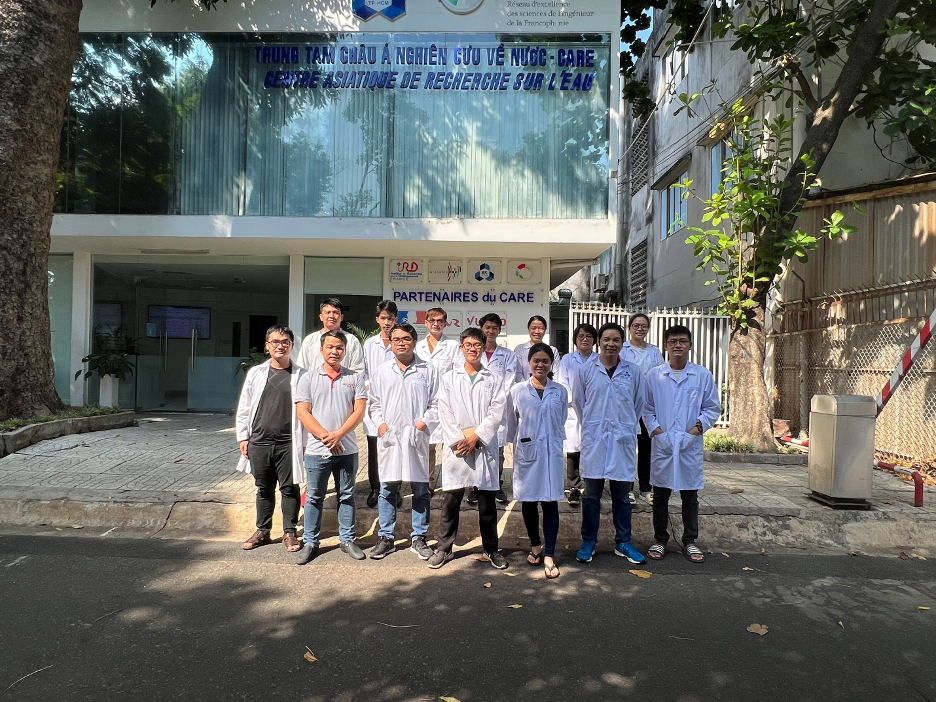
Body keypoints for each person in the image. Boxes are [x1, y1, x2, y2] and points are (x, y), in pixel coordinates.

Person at [429, 327, 510, 570]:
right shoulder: (449, 378)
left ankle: (491, 548)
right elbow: (445, 411)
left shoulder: (494, 379)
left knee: (486, 504)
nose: (472, 348)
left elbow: (496, 413)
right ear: (461, 348)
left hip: (482, 446)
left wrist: (476, 437)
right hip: (458, 448)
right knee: (451, 500)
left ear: (483, 347)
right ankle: (444, 548)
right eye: (468, 345)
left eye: (477, 344)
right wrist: (458, 439)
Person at [642, 324, 721, 564]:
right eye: (673, 341)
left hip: (689, 443)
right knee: (661, 494)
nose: (678, 345)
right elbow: (646, 408)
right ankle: (660, 539)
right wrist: (658, 433)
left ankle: (690, 540)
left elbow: (712, 408)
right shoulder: (654, 375)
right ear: (666, 345)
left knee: (690, 494)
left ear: (689, 345)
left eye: (683, 341)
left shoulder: (702, 375)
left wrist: (694, 431)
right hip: (663, 443)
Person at [573, 322, 646, 565]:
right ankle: (589, 541)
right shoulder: (585, 370)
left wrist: (622, 427)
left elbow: (638, 405)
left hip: (622, 440)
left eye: (616, 340)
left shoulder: (633, 372)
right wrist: (596, 427)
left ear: (622, 343)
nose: (610, 344)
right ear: (599, 342)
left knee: (622, 497)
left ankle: (623, 542)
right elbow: (580, 404)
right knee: (591, 495)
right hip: (595, 439)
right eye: (606, 339)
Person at [294, 330, 367, 565]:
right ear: (321, 350)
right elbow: (303, 412)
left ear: (345, 351)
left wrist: (339, 435)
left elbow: (359, 411)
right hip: (317, 450)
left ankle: (347, 539)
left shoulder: (355, 378)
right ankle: (310, 542)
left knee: (347, 495)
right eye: (330, 347)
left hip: (347, 449)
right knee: (314, 496)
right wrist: (327, 437)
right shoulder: (308, 378)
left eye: (339, 348)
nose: (334, 351)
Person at [367, 323, 440, 561]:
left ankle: (418, 537)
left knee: (420, 489)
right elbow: (373, 404)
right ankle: (386, 537)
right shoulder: (381, 371)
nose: (401, 342)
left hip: (416, 438)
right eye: (396, 339)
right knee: (387, 488)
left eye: (406, 338)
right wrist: (381, 426)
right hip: (389, 438)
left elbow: (437, 403)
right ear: (390, 342)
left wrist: (422, 425)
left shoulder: (427, 370)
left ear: (414, 342)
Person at [236, 325, 306, 553]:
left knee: (290, 488)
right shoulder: (256, 373)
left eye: (285, 341)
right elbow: (245, 407)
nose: (280, 346)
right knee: (263, 488)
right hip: (260, 441)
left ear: (292, 346)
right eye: (275, 342)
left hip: (289, 442)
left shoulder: (301, 375)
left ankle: (289, 532)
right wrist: (243, 437)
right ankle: (263, 531)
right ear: (267, 345)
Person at [509, 343, 566, 579]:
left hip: (551, 453)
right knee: (529, 501)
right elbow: (512, 423)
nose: (540, 365)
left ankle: (549, 554)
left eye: (545, 361)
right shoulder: (518, 391)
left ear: (551, 363)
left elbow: (560, 419)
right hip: (528, 452)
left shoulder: (560, 391)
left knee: (551, 503)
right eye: (536, 361)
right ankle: (535, 545)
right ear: (528, 363)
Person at [414, 307, 461, 494]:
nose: (436, 324)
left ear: (445, 323)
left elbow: (458, 373)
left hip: (449, 401)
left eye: (440, 321)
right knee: (428, 446)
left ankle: (453, 482)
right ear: (426, 323)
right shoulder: (418, 346)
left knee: (451, 444)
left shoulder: (453, 346)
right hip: (426, 403)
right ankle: (429, 483)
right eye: (432, 321)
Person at [620, 313, 665, 505]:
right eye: (636, 325)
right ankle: (627, 488)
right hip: (627, 406)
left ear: (648, 329)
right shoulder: (622, 350)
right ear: (629, 327)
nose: (640, 329)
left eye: (643, 326)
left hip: (648, 407)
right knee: (628, 448)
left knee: (647, 449)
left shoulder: (654, 352)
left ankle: (646, 489)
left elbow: (661, 377)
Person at [476, 312, 520, 506]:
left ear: (499, 330)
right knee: (476, 446)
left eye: (495, 328)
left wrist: (495, 400)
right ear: (481, 328)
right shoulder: (474, 352)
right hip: (476, 406)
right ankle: (475, 487)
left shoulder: (508, 355)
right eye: (488, 327)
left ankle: (497, 485)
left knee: (498, 449)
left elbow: (509, 381)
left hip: (499, 407)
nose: (491, 331)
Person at [554, 322, 597, 507]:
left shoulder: (599, 359)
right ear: (575, 340)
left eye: (588, 336)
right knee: (573, 449)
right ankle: (574, 487)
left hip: (595, 410)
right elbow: (562, 382)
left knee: (593, 448)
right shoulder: (567, 360)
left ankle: (592, 485)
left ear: (594, 340)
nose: (585, 339)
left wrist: (590, 403)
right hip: (572, 409)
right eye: (581, 336)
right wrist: (574, 401)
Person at [362, 300, 398, 508]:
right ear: (377, 320)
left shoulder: (400, 341)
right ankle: (375, 488)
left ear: (395, 319)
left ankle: (394, 488)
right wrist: (370, 387)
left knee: (395, 445)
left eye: (390, 318)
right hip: (374, 402)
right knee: (374, 445)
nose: (387, 322)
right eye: (383, 318)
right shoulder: (369, 344)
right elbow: (363, 372)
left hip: (395, 402)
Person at [296, 297, 365, 373]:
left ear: (341, 317)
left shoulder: (351, 340)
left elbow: (358, 369)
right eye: (328, 312)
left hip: (344, 383)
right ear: (321, 317)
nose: (331, 316)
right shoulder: (310, 340)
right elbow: (301, 368)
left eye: (335, 312)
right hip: (315, 384)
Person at [513, 315, 560, 380]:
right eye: (533, 328)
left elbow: (556, 375)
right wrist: (526, 388)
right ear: (528, 328)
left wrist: (551, 388)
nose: (537, 331)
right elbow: (518, 373)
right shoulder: (520, 349)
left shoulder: (553, 350)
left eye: (541, 328)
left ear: (545, 329)